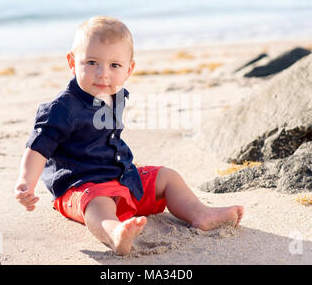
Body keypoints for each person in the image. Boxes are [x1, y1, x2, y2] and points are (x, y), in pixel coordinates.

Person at [14, 16, 244, 255]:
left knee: (167, 177)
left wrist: (126, 170)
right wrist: (26, 182)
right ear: (72, 62)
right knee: (98, 203)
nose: (103, 74)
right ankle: (115, 233)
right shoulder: (61, 109)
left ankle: (200, 213)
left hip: (122, 177)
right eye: (92, 62)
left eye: (114, 65)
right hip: (79, 186)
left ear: (129, 70)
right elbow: (38, 148)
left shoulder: (115, 96)